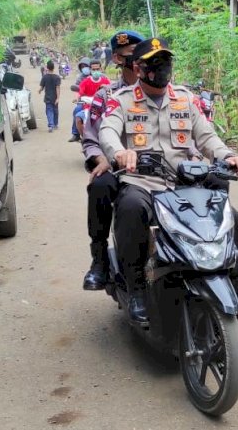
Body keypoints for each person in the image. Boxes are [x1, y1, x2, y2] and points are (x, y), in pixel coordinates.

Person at [99, 38, 238, 335]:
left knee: (233, 218)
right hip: (142, 180)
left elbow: (207, 138)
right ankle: (137, 289)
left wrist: (229, 156)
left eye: (165, 61)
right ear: (139, 68)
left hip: (181, 181)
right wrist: (119, 153)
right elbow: (108, 130)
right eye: (155, 63)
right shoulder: (123, 100)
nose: (162, 68)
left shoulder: (185, 99)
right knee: (130, 207)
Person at [80, 29, 145, 290]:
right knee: (99, 185)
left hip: (158, 166)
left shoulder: (161, 90)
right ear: (118, 60)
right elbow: (90, 138)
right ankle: (99, 260)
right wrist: (103, 158)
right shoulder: (105, 96)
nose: (139, 61)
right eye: (131, 55)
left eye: (141, 54)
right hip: (118, 168)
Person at [74, 62, 110, 138]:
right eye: (93, 69)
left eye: (97, 69)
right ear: (90, 70)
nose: (96, 71)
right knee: (78, 118)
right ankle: (84, 139)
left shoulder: (106, 82)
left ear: (101, 69)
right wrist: (77, 98)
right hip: (88, 107)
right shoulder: (85, 82)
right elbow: (79, 94)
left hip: (103, 108)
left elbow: (111, 93)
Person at [69, 58, 92, 142]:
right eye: (82, 67)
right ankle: (76, 134)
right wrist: (76, 98)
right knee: (77, 110)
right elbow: (77, 90)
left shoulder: (98, 76)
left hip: (97, 99)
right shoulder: (80, 77)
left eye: (86, 66)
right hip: (84, 100)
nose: (84, 68)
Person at [39, 60, 61, 132]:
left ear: (47, 68)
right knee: (55, 111)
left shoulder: (45, 77)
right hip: (55, 97)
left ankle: (51, 125)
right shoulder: (57, 77)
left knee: (49, 111)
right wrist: (58, 98)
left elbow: (41, 87)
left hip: (48, 97)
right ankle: (55, 124)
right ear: (53, 68)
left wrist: (39, 90)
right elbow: (57, 88)